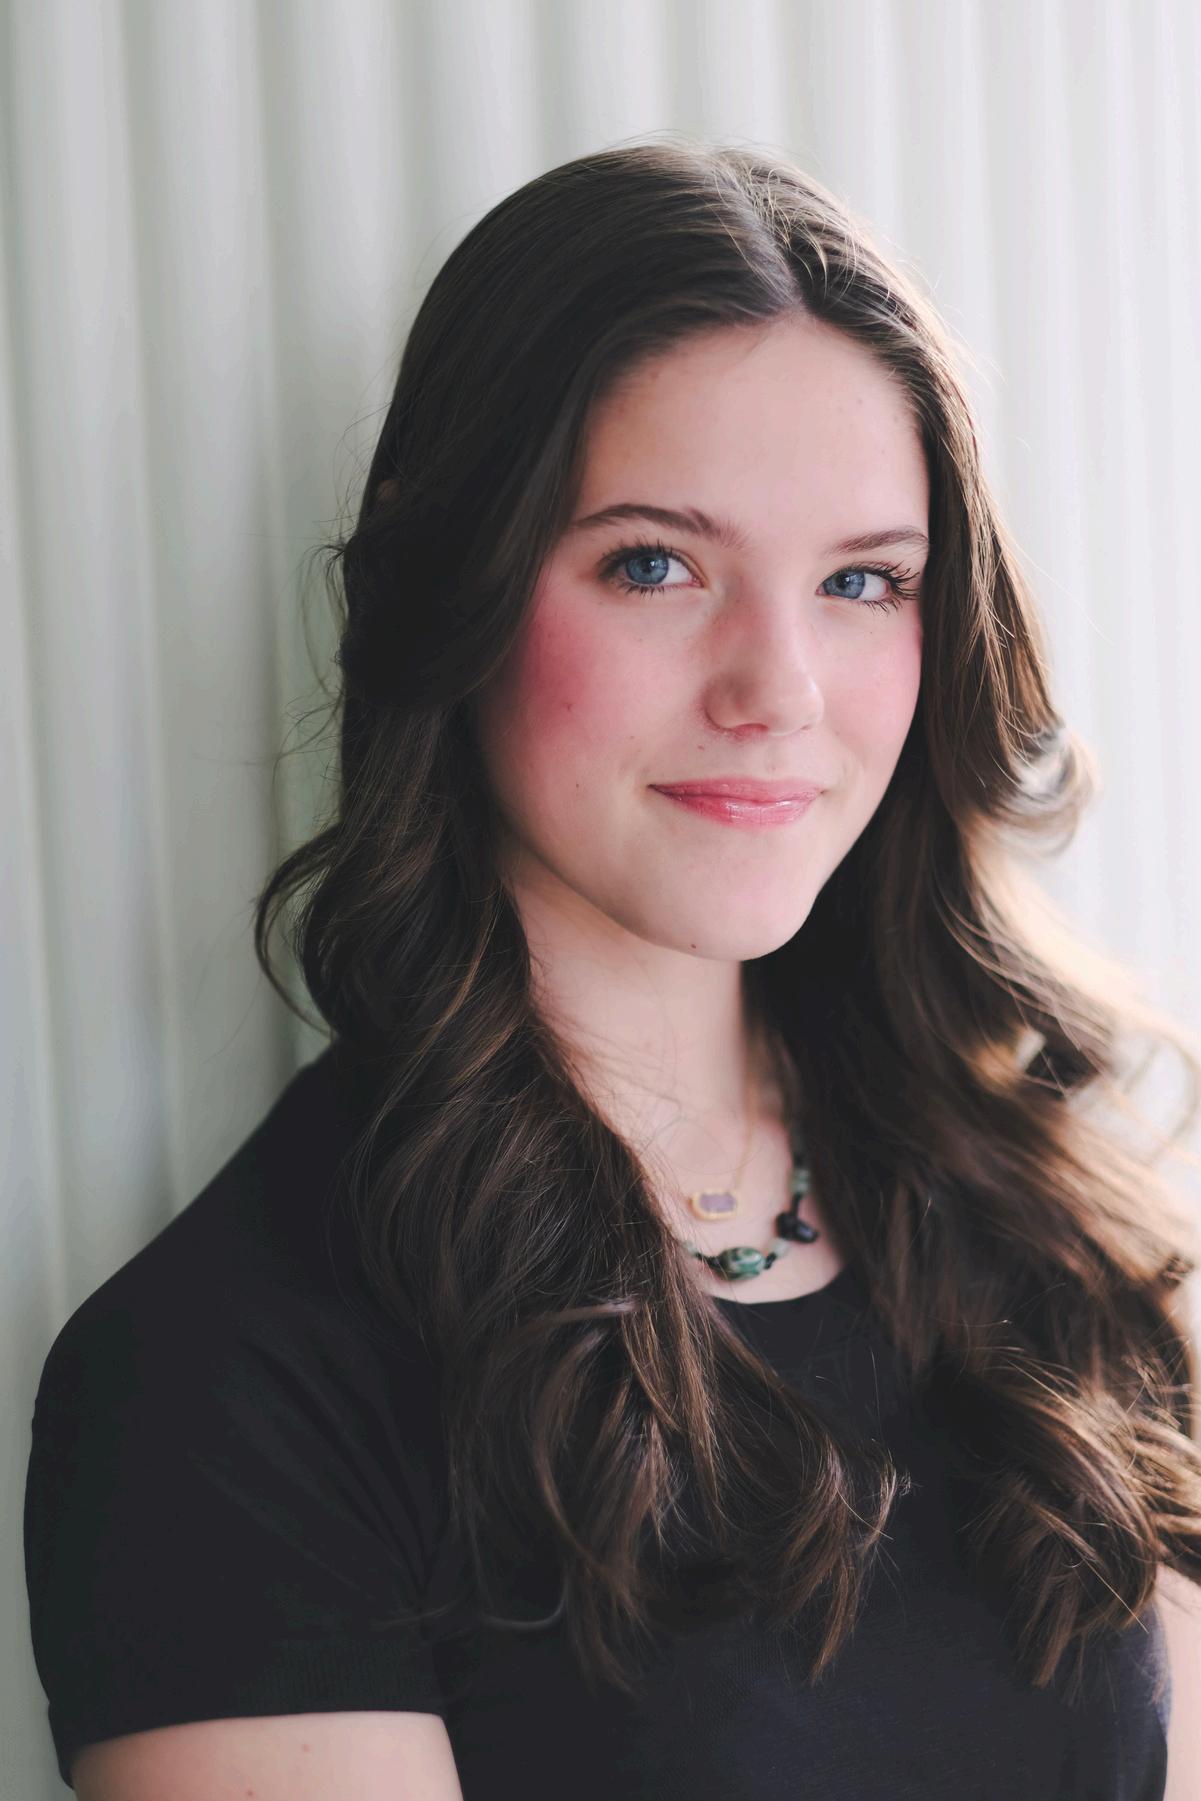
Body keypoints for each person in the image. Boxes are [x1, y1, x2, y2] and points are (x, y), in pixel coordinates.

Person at [23, 135, 1201, 1800]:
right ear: (461, 583)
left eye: (861, 581)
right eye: (654, 563)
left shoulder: (1034, 1211)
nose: (777, 687)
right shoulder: (225, 1382)